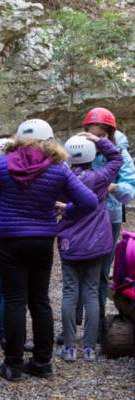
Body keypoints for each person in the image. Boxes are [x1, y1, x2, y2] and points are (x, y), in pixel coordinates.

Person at [0, 119, 97, 381]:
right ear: (49, 140)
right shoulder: (59, 168)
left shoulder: (2, 164)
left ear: (19, 138)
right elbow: (89, 202)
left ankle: (12, 365)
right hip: (42, 239)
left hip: (11, 238)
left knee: (14, 301)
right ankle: (43, 362)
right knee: (40, 300)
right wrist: (66, 210)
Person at [57, 132, 121, 362]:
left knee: (70, 292)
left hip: (69, 243)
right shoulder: (100, 178)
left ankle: (69, 348)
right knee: (92, 292)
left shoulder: (61, 178)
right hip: (97, 242)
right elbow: (117, 159)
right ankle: (89, 348)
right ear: (91, 155)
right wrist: (98, 140)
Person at [82, 108, 135, 335]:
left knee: (102, 272)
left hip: (109, 217)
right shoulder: (79, 147)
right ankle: (71, 327)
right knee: (76, 271)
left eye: (102, 135)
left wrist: (110, 186)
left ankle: (97, 327)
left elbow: (130, 190)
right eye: (93, 133)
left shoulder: (120, 152)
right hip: (81, 215)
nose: (97, 138)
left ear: (110, 134)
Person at [0, 136, 14, 347]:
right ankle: (5, 330)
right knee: (8, 286)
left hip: (0, 233)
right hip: (8, 234)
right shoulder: (8, 175)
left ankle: (0, 329)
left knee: (1, 283)